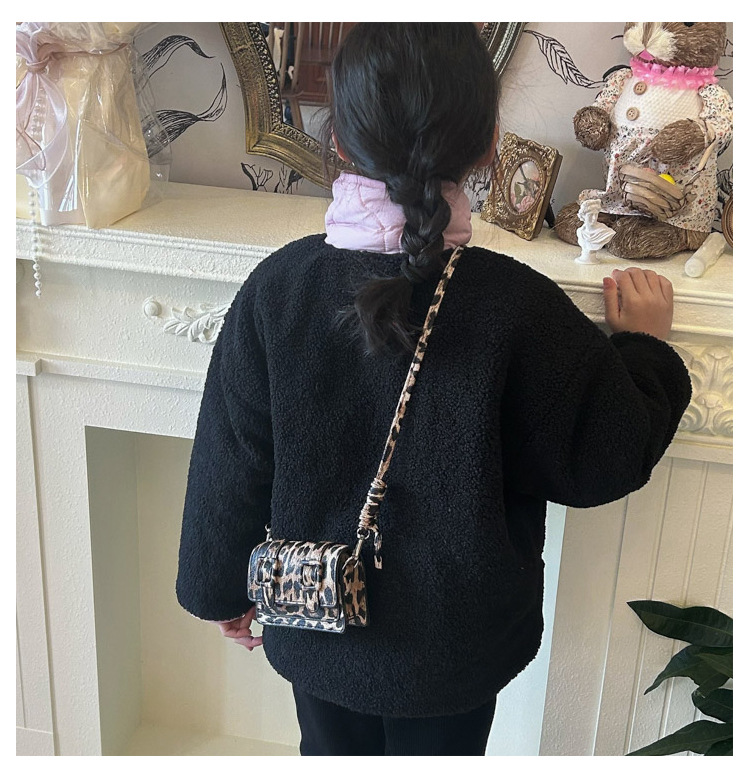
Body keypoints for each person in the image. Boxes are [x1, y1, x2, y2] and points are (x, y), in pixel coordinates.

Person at [176, 23, 691, 756]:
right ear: (489, 144)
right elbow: (604, 456)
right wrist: (644, 349)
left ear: (339, 140)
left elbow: (230, 462)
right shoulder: (517, 305)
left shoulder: (277, 289)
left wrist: (222, 587)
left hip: (315, 619)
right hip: (456, 649)